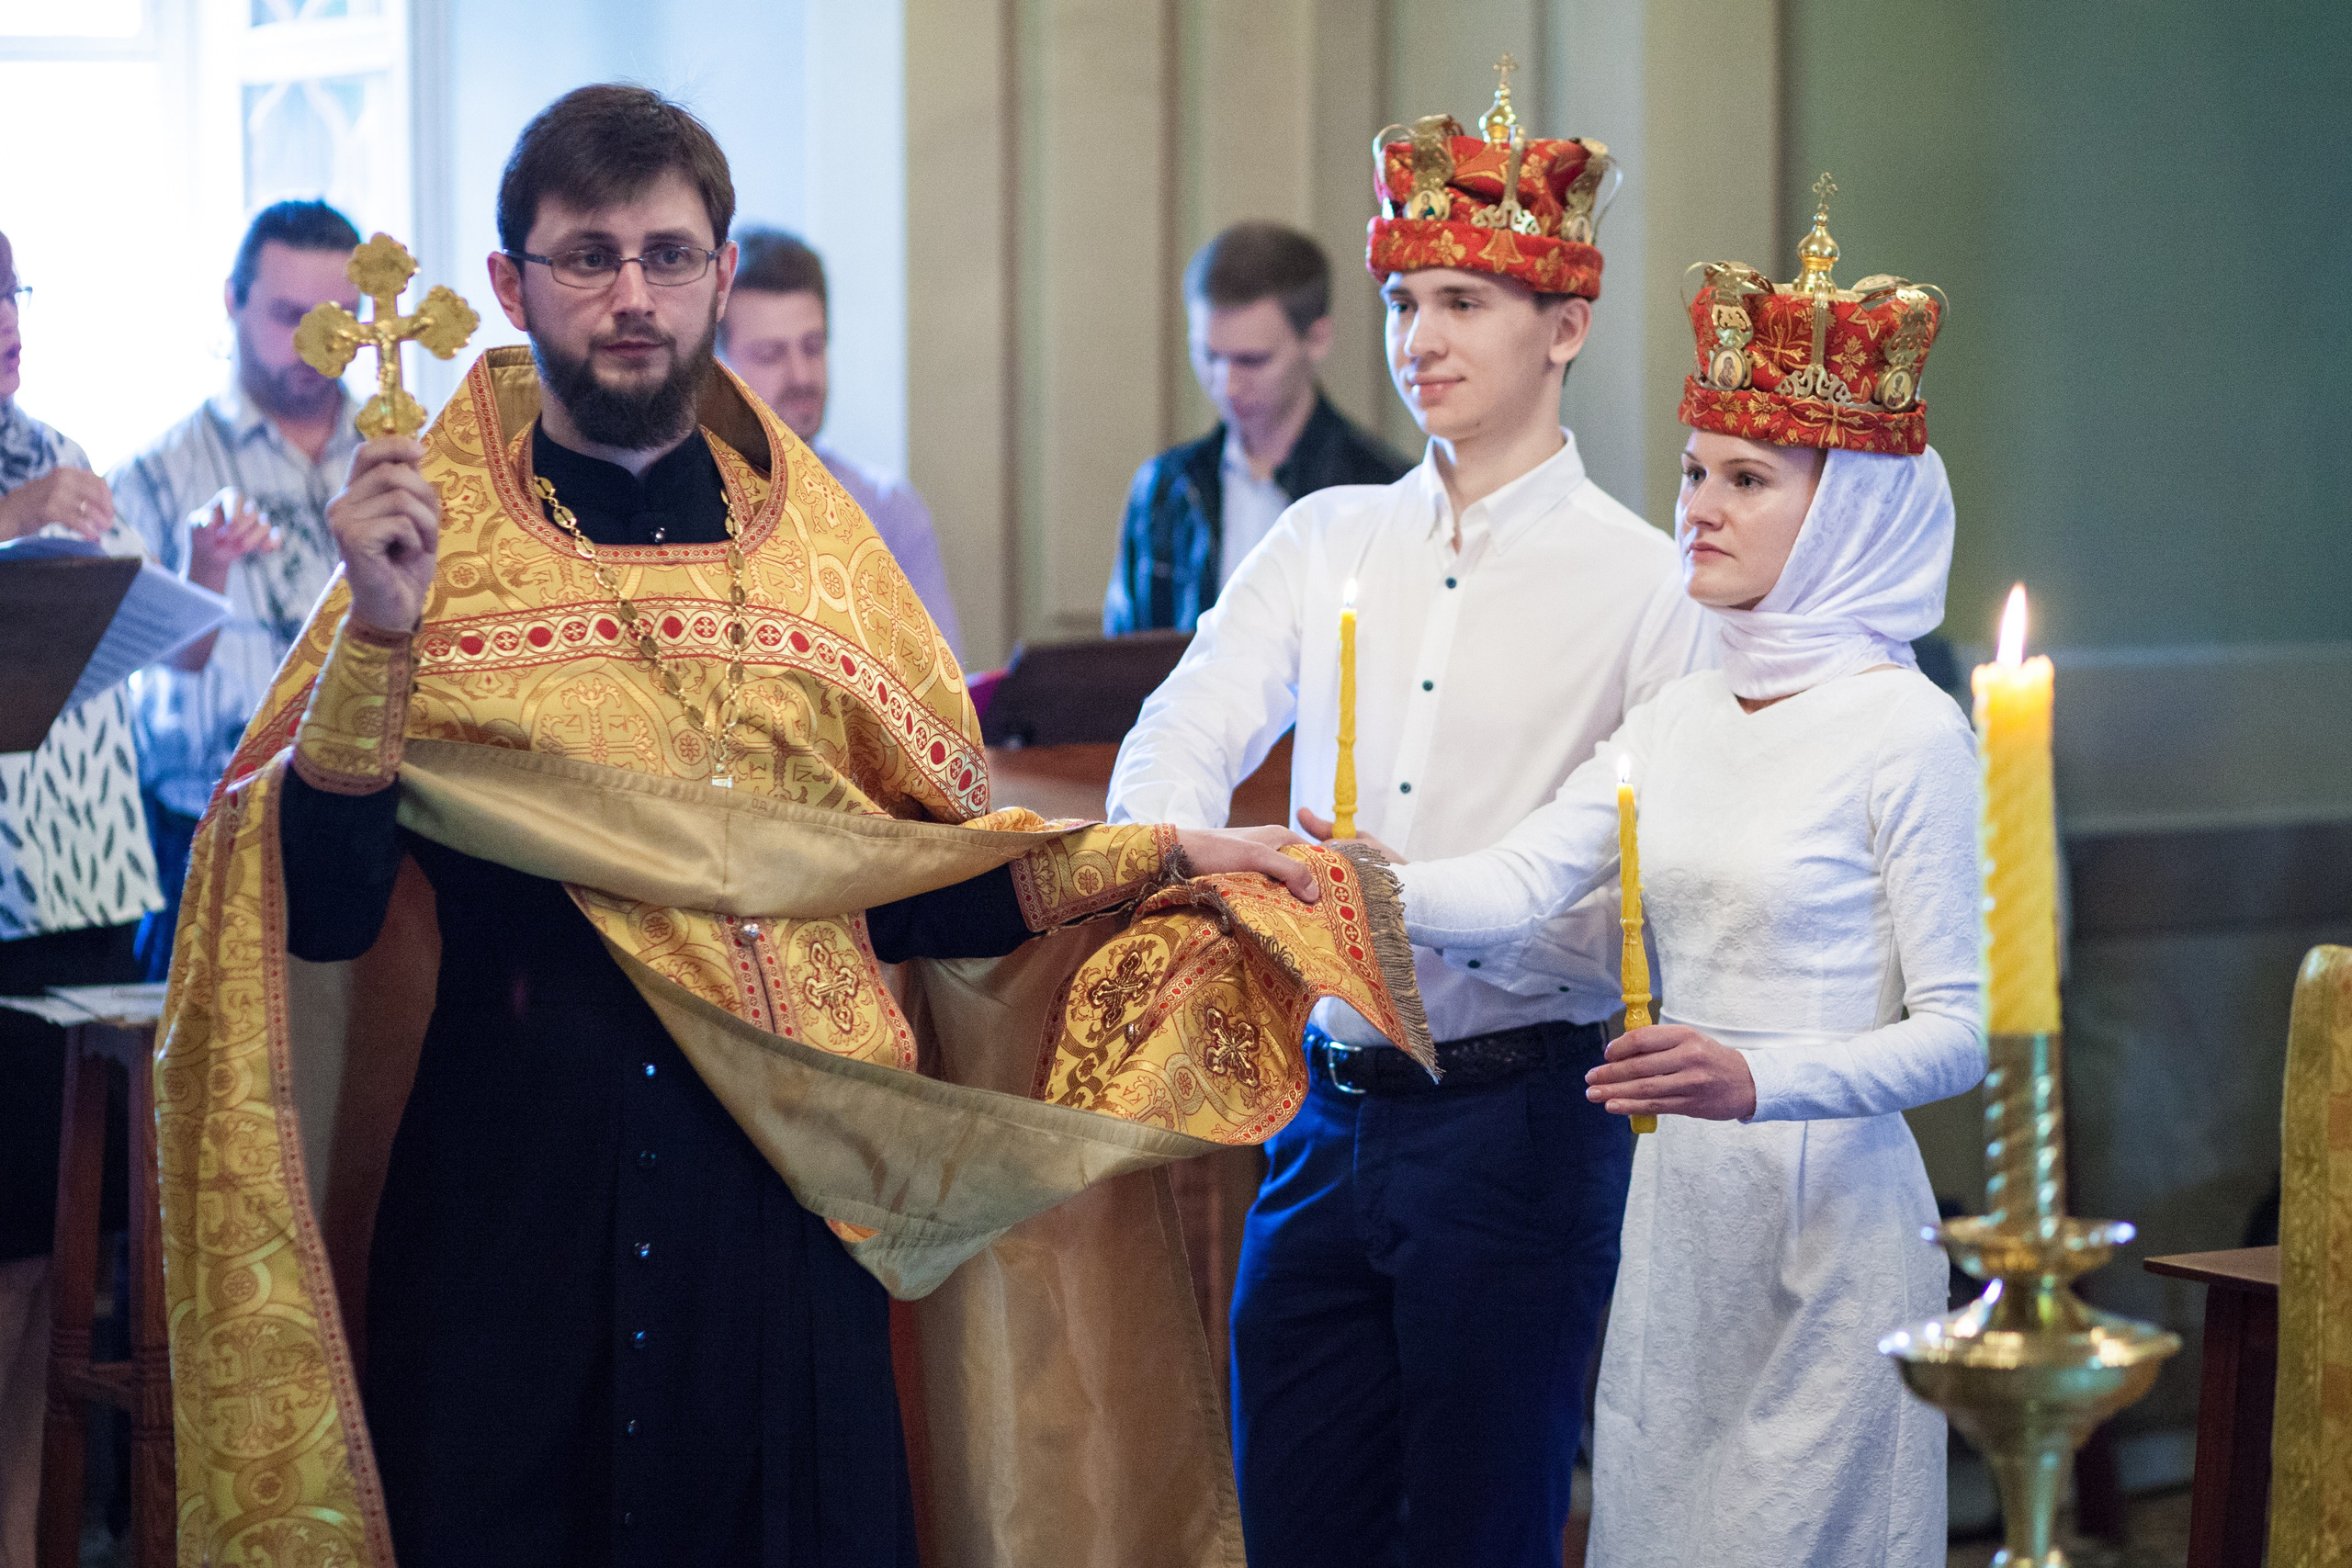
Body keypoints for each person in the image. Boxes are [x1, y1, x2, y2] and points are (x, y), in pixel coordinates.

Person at [153, 85, 1424, 1568]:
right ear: (511, 283)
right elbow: (321, 913)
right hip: (515, 1202)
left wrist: (1163, 855)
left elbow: (912, 879)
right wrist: (378, 636)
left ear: (721, 270)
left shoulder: (820, 560)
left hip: (779, 1202)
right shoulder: (438, 544)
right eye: (587, 257)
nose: (632, 295)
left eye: (667, 254)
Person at [1106, 84, 1715, 1568]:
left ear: (1565, 326)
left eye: (1462, 301)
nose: (1417, 338)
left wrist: (1382, 893)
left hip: (1519, 1121)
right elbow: (1179, 728)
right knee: (1290, 1526)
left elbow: (1587, 865)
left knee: (1477, 1537)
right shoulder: (1328, 535)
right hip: (1323, 1112)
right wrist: (1181, 846)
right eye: (1400, 301)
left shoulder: (1652, 587)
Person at [1389, 196, 1980, 1565]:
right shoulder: (1683, 710)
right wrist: (1349, 881)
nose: (1698, 509)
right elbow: (1523, 877)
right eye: (1693, 472)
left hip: (1832, 1227)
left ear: (1848, 514)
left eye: (1747, 481)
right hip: (1681, 1219)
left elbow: (1956, 1034)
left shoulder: (1906, 729)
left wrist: (1755, 1076)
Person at [0, 227, 161, 1568]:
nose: (3, 318)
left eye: (6, 288)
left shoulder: (50, 447)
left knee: (58, 1253)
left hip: (78, 877)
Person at [112, 199, 363, 976]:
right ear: (233, 300)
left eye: (340, 320)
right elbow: (127, 683)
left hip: (373, 827)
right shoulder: (153, 477)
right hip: (203, 833)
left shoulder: (406, 459)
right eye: (291, 316)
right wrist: (206, 574)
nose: (317, 344)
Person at [1102, 220, 1411, 635]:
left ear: (1316, 339)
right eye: (1210, 356)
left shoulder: (1383, 488)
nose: (1226, 385)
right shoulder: (1164, 486)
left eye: (1252, 360)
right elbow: (1124, 656)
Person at [718, 227, 962, 657]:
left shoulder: (888, 511)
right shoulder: (679, 510)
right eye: (770, 355)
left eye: (813, 347)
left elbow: (943, 683)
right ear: (715, 364)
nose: (802, 376)